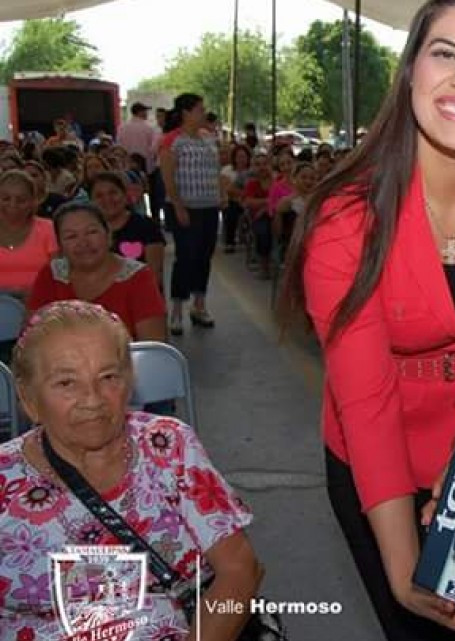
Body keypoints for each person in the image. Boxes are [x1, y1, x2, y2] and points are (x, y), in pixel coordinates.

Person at [280, 0, 455, 637]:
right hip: (380, 470)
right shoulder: (347, 218)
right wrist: (403, 567)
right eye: (445, 54)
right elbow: (364, 400)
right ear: (409, 74)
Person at [0, 300, 262, 639]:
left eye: (108, 377)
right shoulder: (5, 477)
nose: (93, 399)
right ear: (28, 398)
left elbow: (239, 570)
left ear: (129, 381)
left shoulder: (167, 445)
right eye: (67, 383)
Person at [27, 202, 166, 342]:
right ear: (60, 245)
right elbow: (31, 338)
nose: (83, 243)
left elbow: (152, 347)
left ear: (108, 235)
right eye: (71, 236)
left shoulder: (138, 277)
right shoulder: (52, 274)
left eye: (91, 232)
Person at [159, 93, 222, 335]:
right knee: (186, 256)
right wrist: (177, 205)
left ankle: (199, 304)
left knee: (204, 256)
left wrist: (221, 193)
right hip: (186, 207)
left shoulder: (208, 138)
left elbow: (215, 169)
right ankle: (176, 309)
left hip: (209, 206)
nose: (203, 112)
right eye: (199, 109)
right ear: (186, 112)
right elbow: (167, 175)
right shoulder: (172, 140)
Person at [89, 171, 166, 289]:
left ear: (125, 195)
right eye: (99, 196)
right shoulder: (88, 231)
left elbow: (155, 274)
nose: (107, 199)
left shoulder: (146, 226)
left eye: (113, 193)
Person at [0, 169, 58, 296]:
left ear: (33, 202)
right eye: (5, 198)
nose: (12, 204)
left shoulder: (48, 229)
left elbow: (59, 275)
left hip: (39, 302)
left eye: (21, 200)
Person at [242, 152, 275, 279]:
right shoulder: (252, 184)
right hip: (259, 218)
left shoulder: (276, 182)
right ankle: (264, 265)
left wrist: (265, 205)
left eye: (264, 164)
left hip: (275, 215)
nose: (262, 167)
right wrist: (268, 202)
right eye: (258, 164)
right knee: (263, 232)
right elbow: (249, 202)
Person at [220, 144, 252, 253]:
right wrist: (240, 194)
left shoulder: (252, 171)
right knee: (230, 210)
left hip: (248, 201)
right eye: (239, 157)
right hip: (231, 200)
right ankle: (230, 242)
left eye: (244, 156)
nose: (241, 159)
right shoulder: (227, 170)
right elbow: (227, 189)